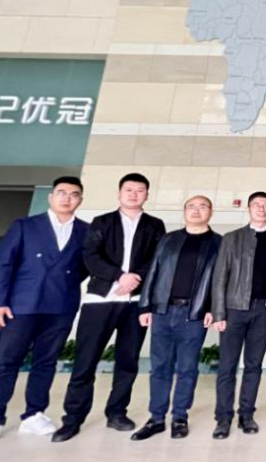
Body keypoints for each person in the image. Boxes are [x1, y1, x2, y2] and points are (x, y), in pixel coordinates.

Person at [52, 173, 166, 443]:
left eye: (140, 190)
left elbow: (158, 259)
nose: (134, 194)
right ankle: (72, 419)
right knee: (85, 361)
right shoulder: (102, 222)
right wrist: (119, 276)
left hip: (135, 303)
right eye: (129, 189)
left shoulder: (154, 225)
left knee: (127, 362)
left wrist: (134, 279)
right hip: (100, 302)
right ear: (119, 193)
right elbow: (90, 256)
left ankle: (116, 413)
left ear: (147, 195)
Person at [0, 177, 88, 437]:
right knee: (6, 361)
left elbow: (84, 267)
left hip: (61, 306)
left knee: (46, 362)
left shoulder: (87, 231)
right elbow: (4, 263)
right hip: (21, 305)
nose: (67, 198)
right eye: (61, 192)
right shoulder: (25, 226)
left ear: (80, 200)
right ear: (51, 197)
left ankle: (34, 414)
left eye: (74, 194)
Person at [131, 196, 221, 441]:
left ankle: (180, 416)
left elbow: (220, 281)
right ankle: (156, 418)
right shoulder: (169, 239)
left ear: (211, 212)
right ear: (184, 211)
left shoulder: (218, 243)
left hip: (194, 314)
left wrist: (213, 308)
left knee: (187, 368)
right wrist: (145, 306)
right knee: (159, 367)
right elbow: (153, 272)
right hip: (163, 311)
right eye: (191, 206)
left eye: (202, 206)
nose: (196, 210)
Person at [211, 191, 266, 439]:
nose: (261, 209)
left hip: (264, 311)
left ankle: (246, 414)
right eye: (257, 205)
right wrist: (219, 313)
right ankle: (223, 418)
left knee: (254, 365)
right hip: (234, 310)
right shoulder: (232, 238)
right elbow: (220, 277)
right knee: (227, 366)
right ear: (248, 208)